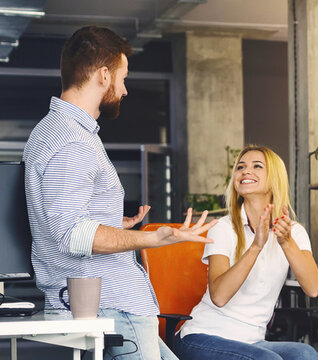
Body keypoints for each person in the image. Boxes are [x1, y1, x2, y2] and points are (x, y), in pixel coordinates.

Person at [23, 26, 216, 360]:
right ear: (102, 74)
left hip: (110, 307)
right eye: (122, 77)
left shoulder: (56, 132)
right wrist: (155, 239)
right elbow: (72, 234)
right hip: (111, 308)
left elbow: (68, 220)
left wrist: (114, 224)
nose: (125, 90)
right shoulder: (72, 140)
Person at [175, 145, 318, 360]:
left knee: (305, 355)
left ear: (274, 178)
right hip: (202, 336)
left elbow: (313, 288)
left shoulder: (294, 232)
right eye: (241, 167)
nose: (245, 171)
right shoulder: (223, 227)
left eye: (257, 166)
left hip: (252, 341)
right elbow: (220, 296)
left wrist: (286, 242)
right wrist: (255, 247)